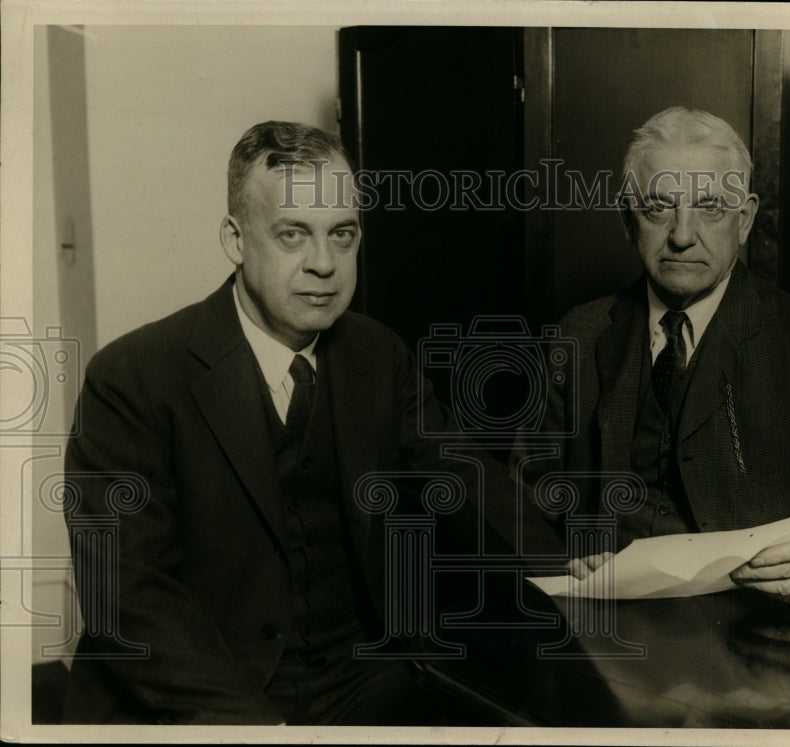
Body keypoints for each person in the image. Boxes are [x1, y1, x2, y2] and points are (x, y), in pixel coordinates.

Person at [60, 121, 555, 725]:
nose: (325, 264)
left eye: (342, 235)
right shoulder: (132, 376)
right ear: (235, 239)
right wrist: (259, 732)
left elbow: (463, 475)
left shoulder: (378, 354)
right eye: (292, 234)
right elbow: (128, 596)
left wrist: (571, 566)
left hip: (360, 680)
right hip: (204, 692)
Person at [520, 107, 790, 606]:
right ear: (627, 220)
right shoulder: (578, 334)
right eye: (657, 208)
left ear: (745, 219)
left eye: (710, 207)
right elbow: (522, 502)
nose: (682, 235)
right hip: (607, 620)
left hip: (760, 622)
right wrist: (563, 562)